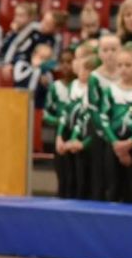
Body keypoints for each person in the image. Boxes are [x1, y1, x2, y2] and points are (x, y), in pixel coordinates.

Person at [101, 44, 132, 204]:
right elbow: (104, 119)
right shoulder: (110, 90)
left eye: (128, 65)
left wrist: (130, 143)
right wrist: (116, 143)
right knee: (113, 187)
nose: (123, 69)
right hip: (113, 144)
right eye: (120, 65)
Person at [57, 44, 98, 200]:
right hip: (71, 137)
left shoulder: (92, 90)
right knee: (68, 179)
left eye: (79, 58)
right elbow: (66, 112)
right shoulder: (73, 85)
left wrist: (78, 141)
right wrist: (60, 136)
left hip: (86, 140)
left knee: (85, 182)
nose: (76, 63)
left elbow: (86, 117)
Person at [86, 34, 122, 200]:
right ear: (99, 53)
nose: (110, 54)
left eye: (114, 49)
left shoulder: (124, 73)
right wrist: (105, 133)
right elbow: (94, 108)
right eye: (105, 50)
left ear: (120, 51)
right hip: (99, 130)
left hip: (120, 128)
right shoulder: (95, 77)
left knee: (117, 173)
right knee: (100, 172)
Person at [43, 47, 80, 198]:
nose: (66, 66)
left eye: (69, 62)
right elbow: (46, 113)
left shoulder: (79, 85)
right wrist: (59, 120)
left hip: (77, 132)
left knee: (76, 174)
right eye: (62, 62)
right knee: (62, 172)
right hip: (60, 133)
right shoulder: (55, 87)